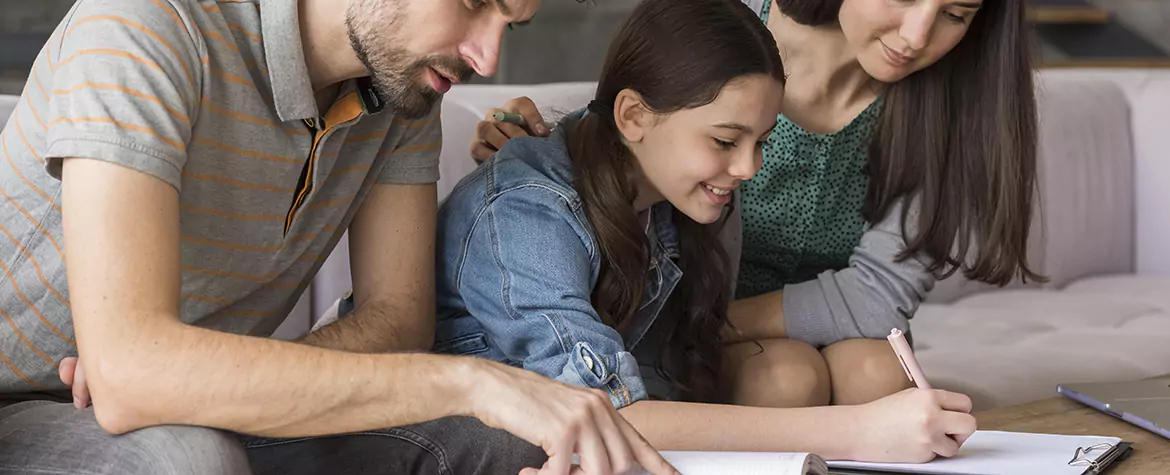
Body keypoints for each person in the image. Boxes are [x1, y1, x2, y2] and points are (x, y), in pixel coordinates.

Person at [0, 0, 677, 474]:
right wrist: (474, 379)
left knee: (502, 443)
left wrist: (193, 373)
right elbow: (129, 376)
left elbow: (397, 318)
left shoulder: (403, 94)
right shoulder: (145, 26)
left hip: (186, 402)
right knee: (184, 459)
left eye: (512, 23)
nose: (487, 53)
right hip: (21, 404)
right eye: (475, 2)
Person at [436, 0, 977, 463]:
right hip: (483, 449)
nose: (750, 169)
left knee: (868, 373)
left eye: (762, 142)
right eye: (726, 142)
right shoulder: (532, 210)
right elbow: (605, 414)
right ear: (632, 116)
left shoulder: (669, 199)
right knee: (794, 382)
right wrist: (860, 432)